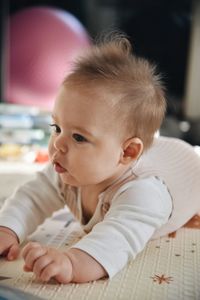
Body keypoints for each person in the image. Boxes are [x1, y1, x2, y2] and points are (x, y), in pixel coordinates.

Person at [0, 33, 200, 284]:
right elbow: (32, 197)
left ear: (127, 153)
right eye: (57, 127)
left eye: (79, 138)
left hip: (189, 169)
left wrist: (72, 262)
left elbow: (118, 239)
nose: (58, 144)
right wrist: (7, 228)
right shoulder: (67, 167)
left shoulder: (144, 193)